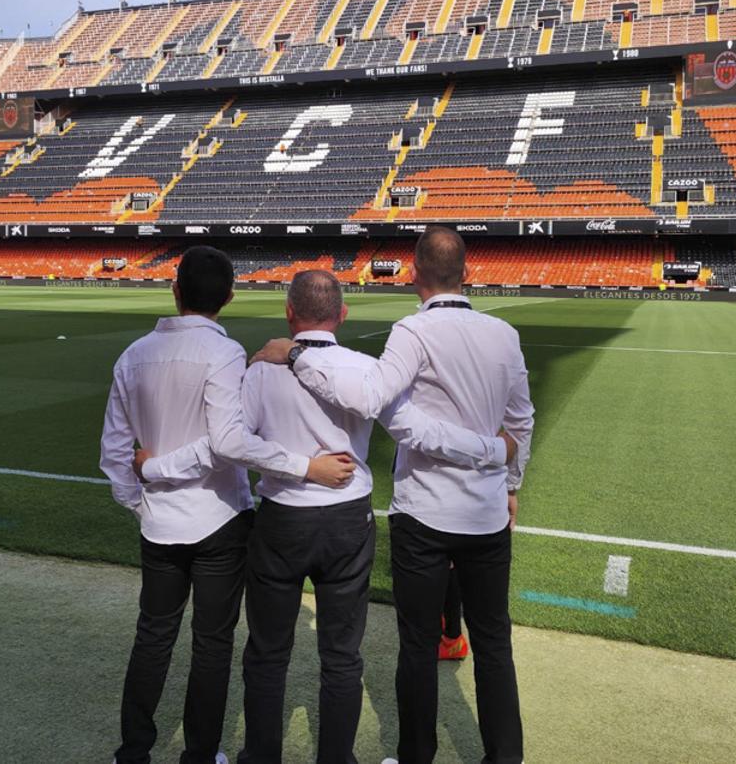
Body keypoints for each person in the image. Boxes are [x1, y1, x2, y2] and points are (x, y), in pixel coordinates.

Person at [141, 269, 515, 764]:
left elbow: (235, 444)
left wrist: (295, 465)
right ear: (342, 314)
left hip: (282, 520)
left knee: (268, 654)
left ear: (288, 313)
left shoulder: (260, 370)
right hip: (346, 522)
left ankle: (261, 756)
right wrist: (496, 452)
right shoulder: (365, 369)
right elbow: (405, 425)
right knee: (341, 658)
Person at [254, 226, 535, 764]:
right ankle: (505, 757)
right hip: (484, 513)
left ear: (413, 275)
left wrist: (296, 357)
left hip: (425, 514)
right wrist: (510, 476)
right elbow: (520, 421)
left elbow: (375, 403)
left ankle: (416, 757)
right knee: (494, 643)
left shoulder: (411, 330)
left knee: (416, 644)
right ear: (467, 274)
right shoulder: (503, 332)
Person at [98, 246, 356, 764]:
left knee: (153, 636)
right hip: (219, 518)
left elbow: (112, 451)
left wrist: (143, 498)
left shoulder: (133, 355)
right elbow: (225, 444)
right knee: (212, 643)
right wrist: (155, 472)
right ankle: (200, 754)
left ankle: (133, 752)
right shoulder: (225, 354)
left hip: (161, 522)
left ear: (175, 291)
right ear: (230, 297)